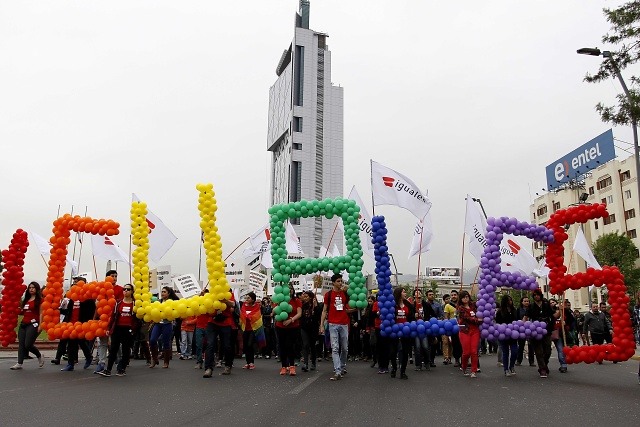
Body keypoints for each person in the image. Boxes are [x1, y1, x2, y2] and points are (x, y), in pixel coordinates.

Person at [320, 274, 354, 381]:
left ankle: (342, 366)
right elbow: (324, 310)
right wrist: (321, 325)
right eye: (338, 281)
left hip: (344, 323)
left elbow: (346, 309)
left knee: (345, 348)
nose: (340, 283)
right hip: (332, 324)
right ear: (333, 282)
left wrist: (356, 308)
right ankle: (337, 371)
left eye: (341, 281)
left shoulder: (345, 293)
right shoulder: (328, 295)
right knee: (335, 348)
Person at [99, 284, 136, 377]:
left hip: (128, 329)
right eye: (124, 289)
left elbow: (137, 319)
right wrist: (109, 328)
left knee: (126, 350)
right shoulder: (118, 302)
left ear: (132, 291)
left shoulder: (135, 303)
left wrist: (133, 329)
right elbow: (113, 316)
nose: (125, 291)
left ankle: (122, 368)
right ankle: (108, 369)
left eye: (128, 289)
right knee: (113, 349)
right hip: (117, 328)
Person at [524, 289, 558, 378]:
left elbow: (554, 315)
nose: (536, 296)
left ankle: (544, 364)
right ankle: (542, 369)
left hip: (546, 330)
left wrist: (560, 310)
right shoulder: (531, 306)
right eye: (534, 295)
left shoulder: (546, 305)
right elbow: (526, 317)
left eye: (537, 294)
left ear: (540, 295)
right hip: (535, 331)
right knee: (538, 351)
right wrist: (524, 326)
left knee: (548, 350)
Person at [11, 282, 44, 370]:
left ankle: (39, 355)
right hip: (23, 324)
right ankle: (19, 363)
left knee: (28, 344)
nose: (31, 289)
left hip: (33, 324)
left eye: (33, 287)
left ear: (37, 289)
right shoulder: (26, 299)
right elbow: (23, 312)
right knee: (21, 344)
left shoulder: (40, 300)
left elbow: (41, 313)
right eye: (30, 288)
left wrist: (40, 325)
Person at [203, 291, 236, 378]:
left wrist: (224, 300)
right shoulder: (211, 294)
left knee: (226, 345)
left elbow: (233, 304)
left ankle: (228, 365)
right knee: (210, 344)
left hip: (225, 323)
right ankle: (208, 368)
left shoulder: (228, 293)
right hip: (212, 322)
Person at [60, 295, 96, 372]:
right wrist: (61, 309)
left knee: (81, 342)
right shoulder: (72, 299)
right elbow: (68, 312)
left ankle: (88, 357)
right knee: (71, 343)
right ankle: (70, 364)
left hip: (81, 325)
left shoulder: (88, 300)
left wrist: (86, 324)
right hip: (71, 325)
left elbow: (91, 312)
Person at [94, 270, 119, 374]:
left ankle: (119, 361)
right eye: (112, 276)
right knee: (102, 342)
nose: (114, 278)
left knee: (116, 342)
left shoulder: (120, 289)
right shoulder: (101, 289)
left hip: (115, 320)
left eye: (115, 276)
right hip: (103, 320)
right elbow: (98, 305)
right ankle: (102, 362)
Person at [275, 283, 302, 376]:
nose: (289, 290)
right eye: (287, 288)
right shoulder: (279, 300)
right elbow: (274, 310)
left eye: (291, 288)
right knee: (282, 346)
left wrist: (291, 320)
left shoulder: (296, 300)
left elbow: (299, 313)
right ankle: (283, 366)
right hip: (280, 326)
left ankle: (292, 366)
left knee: (291, 346)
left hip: (293, 327)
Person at [149, 286, 179, 369]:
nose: (162, 293)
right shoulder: (158, 302)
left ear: (169, 293)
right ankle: (154, 359)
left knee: (166, 342)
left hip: (167, 324)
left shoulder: (172, 302)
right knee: (152, 340)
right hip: (158, 323)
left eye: (164, 292)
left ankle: (166, 361)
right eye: (162, 292)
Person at [390, 288, 415, 379]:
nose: (405, 293)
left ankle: (403, 371)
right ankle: (394, 368)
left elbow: (411, 317)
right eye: (404, 292)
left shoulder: (408, 305)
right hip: (395, 331)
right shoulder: (393, 305)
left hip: (406, 331)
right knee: (393, 351)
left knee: (405, 352)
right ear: (399, 293)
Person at [457, 290, 481, 378]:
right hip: (464, 331)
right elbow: (466, 318)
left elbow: (481, 304)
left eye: (467, 296)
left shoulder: (473, 305)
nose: (465, 299)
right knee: (466, 353)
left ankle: (474, 370)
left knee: (474, 352)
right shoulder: (460, 308)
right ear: (461, 299)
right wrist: (477, 320)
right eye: (463, 297)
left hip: (475, 330)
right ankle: (464, 367)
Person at [239, 292, 265, 370]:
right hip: (245, 329)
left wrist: (249, 316)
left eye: (248, 298)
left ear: (253, 299)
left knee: (250, 345)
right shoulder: (243, 305)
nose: (246, 299)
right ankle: (247, 362)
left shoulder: (257, 306)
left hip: (253, 329)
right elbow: (242, 313)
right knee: (246, 346)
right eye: (246, 298)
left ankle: (251, 362)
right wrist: (246, 316)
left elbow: (256, 315)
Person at [495, 295, 518, 376]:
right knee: (505, 353)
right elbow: (497, 323)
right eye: (508, 300)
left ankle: (511, 366)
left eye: (511, 300)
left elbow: (517, 321)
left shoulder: (514, 310)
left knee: (515, 351)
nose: (510, 302)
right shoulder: (500, 312)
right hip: (503, 335)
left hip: (513, 334)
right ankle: (506, 369)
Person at [300, 291, 321, 372]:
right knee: (305, 345)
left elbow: (319, 315)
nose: (304, 298)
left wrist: (315, 307)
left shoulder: (315, 305)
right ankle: (305, 363)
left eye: (306, 296)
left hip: (313, 328)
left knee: (312, 345)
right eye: (304, 296)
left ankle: (313, 363)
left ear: (311, 297)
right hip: (304, 327)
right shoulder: (303, 305)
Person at [516, 296, 535, 367]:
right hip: (521, 330)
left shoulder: (532, 308)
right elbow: (516, 318)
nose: (527, 302)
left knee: (531, 346)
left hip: (531, 329)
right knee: (521, 346)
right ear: (522, 302)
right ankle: (518, 360)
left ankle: (531, 361)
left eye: (528, 301)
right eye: (525, 301)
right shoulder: (519, 309)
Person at [425, 289, 442, 368]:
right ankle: (425, 359)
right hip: (425, 326)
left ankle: (432, 360)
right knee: (426, 344)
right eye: (430, 294)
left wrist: (436, 319)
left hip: (435, 326)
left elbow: (440, 315)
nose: (431, 296)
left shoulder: (437, 305)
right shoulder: (423, 304)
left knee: (434, 344)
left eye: (432, 294)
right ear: (427, 296)